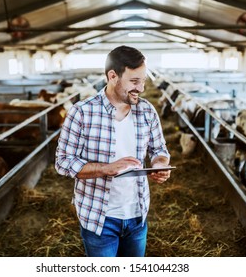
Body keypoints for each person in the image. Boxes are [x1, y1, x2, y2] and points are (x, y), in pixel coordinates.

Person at [55, 45, 171, 257]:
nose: (142, 88)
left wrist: (160, 164)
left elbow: (159, 149)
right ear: (112, 76)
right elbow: (63, 161)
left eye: (143, 81)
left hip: (137, 214)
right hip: (99, 218)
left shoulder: (147, 110)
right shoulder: (82, 112)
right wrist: (106, 169)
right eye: (134, 81)